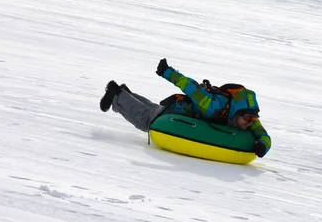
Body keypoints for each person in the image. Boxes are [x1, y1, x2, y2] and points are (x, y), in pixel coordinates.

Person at [99, 58, 271, 158]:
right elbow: (190, 86)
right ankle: (115, 95)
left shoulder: (247, 121)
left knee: (151, 109)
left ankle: (125, 94)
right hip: (177, 113)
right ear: (238, 113)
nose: (250, 123)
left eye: (253, 119)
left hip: (184, 116)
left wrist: (262, 145)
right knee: (147, 119)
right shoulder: (213, 106)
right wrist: (167, 71)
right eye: (248, 118)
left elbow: (264, 135)